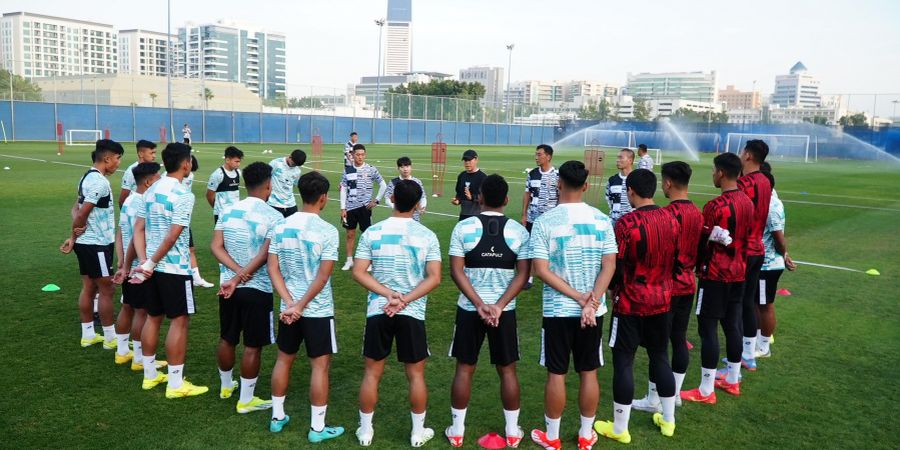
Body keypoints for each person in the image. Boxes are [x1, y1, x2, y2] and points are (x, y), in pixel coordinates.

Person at [529, 160, 617, 450]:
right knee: (588, 371)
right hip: (591, 311)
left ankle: (552, 437)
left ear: (559, 184)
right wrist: (591, 300)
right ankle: (585, 435)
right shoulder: (602, 220)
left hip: (558, 310)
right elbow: (609, 265)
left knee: (557, 373)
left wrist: (582, 299)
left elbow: (540, 269)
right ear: (586, 186)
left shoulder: (544, 221)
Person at [352, 180, 442, 448]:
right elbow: (434, 278)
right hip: (411, 312)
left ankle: (366, 432)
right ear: (416, 205)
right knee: (415, 375)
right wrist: (404, 299)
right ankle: (417, 433)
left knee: (372, 373)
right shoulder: (426, 235)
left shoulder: (372, 232)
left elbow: (359, 272)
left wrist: (389, 296)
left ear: (391, 198)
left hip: (379, 310)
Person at [594, 169, 680, 444]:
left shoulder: (625, 224)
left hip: (630, 302)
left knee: (624, 362)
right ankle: (668, 420)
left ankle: (620, 428)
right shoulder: (671, 218)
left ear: (630, 191)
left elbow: (615, 266)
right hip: (662, 299)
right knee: (660, 357)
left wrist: (609, 289)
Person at [445, 174, 531, 448]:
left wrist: (479, 304)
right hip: (504, 313)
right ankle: (513, 432)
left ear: (479, 197)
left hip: (470, 310)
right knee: (507, 371)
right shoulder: (519, 231)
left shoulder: (464, 228)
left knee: (464, 368)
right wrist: (499, 306)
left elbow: (456, 271)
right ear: (507, 200)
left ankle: (457, 432)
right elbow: (523, 274)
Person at [268, 172, 344, 442]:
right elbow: (323, 277)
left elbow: (273, 268)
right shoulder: (328, 231)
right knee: (319, 367)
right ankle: (317, 429)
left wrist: (289, 302)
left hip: (288, 308)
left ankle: (277, 417)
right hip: (317, 310)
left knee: (283, 359)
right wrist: (300, 304)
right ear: (323, 198)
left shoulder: (281, 226)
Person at [132, 142, 208, 398]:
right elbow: (174, 235)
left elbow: (138, 229)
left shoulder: (150, 190)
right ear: (186, 163)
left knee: (153, 317)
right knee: (179, 321)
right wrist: (151, 262)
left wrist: (144, 262)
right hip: (173, 268)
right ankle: (176, 384)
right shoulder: (183, 195)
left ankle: (150, 376)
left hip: (151, 268)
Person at [211, 162, 284, 414]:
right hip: (258, 288)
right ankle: (245, 399)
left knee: (227, 337)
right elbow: (266, 254)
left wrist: (235, 273)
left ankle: (225, 386)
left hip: (227, 287)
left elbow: (216, 246)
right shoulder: (274, 216)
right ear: (268, 184)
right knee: (253, 344)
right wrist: (244, 273)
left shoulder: (228, 210)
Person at [680, 153, 754, 403]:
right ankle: (733, 380)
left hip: (715, 274)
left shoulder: (715, 207)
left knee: (708, 328)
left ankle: (705, 390)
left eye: (714, 170)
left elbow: (704, 241)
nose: (712, 174)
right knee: (732, 324)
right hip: (739, 272)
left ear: (721, 173)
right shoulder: (747, 202)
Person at [633, 162, 703, 411]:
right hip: (688, 283)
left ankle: (655, 399)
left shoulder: (667, 214)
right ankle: (675, 395)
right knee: (680, 338)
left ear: (668, 183)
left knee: (659, 346)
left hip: (667, 286)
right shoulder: (697, 212)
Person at [68, 139, 124, 349]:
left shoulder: (86, 176)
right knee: (107, 289)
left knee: (89, 287)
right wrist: (76, 234)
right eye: (118, 159)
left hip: (87, 243)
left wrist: (75, 236)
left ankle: (88, 334)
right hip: (97, 244)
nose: (118, 163)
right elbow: (81, 213)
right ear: (107, 158)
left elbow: (75, 209)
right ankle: (110, 339)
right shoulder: (100, 182)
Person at [112, 162, 163, 369]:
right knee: (142, 311)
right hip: (137, 267)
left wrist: (120, 260)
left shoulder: (128, 200)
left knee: (127, 306)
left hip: (128, 264)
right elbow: (135, 237)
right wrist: (127, 265)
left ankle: (122, 351)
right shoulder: (142, 202)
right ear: (149, 181)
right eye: (158, 178)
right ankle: (139, 358)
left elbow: (120, 234)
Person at [735, 139, 772, 371]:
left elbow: (737, 217)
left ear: (748, 155)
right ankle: (748, 354)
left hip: (743, 251)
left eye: (742, 151)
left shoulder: (744, 183)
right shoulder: (766, 181)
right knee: (748, 303)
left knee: (736, 306)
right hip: (758, 247)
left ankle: (737, 359)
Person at [755, 163, 796, 358]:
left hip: (767, 264)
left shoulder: (770, 205)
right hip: (763, 262)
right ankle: (755, 342)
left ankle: (763, 347)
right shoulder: (768, 199)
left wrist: (785, 255)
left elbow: (778, 237)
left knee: (764, 304)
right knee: (756, 303)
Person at [339, 144, 386, 271]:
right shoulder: (347, 170)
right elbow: (343, 189)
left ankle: (369, 262)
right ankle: (349, 260)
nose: (360, 157)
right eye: (357, 154)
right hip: (350, 208)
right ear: (352, 155)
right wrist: (343, 208)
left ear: (365, 155)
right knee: (350, 234)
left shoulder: (371, 169)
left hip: (365, 208)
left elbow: (383, 184)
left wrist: (376, 200)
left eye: (362, 154)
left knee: (367, 235)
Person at [521, 144, 559, 290]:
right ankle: (528, 277)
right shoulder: (532, 174)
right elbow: (527, 194)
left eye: (539, 154)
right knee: (532, 247)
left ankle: (552, 276)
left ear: (548, 156)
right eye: (536, 154)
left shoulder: (557, 174)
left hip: (551, 219)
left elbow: (560, 195)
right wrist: (524, 214)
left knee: (552, 248)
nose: (536, 157)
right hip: (533, 218)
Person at [184, 155, 214, 288]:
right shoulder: (169, 178)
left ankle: (196, 277)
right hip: (176, 221)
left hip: (184, 220)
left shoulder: (189, 176)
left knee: (190, 249)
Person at [207, 146, 243, 224]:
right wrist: (217, 207)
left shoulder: (238, 172)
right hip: (221, 214)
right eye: (236, 161)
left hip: (235, 213)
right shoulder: (218, 174)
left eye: (239, 161)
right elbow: (209, 195)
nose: (238, 164)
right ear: (227, 160)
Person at [384, 156, 427, 222]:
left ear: (411, 167)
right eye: (402, 167)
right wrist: (395, 207)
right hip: (398, 217)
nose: (405, 169)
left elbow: (423, 197)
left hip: (414, 218)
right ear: (398, 168)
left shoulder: (417, 182)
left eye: (407, 166)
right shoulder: (393, 182)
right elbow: (387, 198)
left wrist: (422, 207)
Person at [268, 149, 306, 218]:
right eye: (293, 163)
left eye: (296, 165)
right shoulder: (276, 163)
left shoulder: (297, 171)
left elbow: (295, 184)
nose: (294, 166)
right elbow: (265, 178)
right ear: (290, 156)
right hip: (274, 203)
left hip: (290, 204)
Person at [119, 139, 157, 207]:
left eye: (154, 153)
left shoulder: (154, 170)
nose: (154, 156)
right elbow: (122, 199)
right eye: (151, 153)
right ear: (141, 154)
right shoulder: (131, 171)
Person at [452, 149, 487, 221]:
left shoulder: (483, 177)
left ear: (476, 159)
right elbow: (459, 193)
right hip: (463, 215)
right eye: (465, 160)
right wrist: (457, 200)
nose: (467, 163)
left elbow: (486, 198)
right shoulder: (462, 176)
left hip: (478, 216)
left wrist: (472, 197)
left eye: (469, 160)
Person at [606, 149, 634, 226]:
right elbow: (609, 199)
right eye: (617, 158)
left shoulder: (637, 179)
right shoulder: (612, 180)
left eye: (621, 158)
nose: (617, 160)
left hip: (632, 223)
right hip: (614, 223)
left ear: (630, 160)